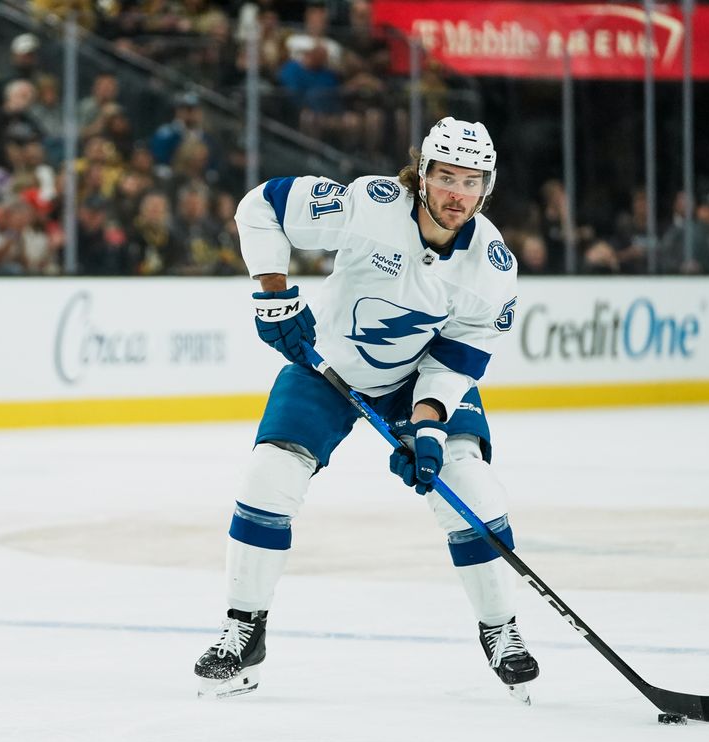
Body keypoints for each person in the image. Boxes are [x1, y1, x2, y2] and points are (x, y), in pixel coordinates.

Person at [193, 118, 537, 702]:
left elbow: (456, 361)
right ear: (422, 174)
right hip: (327, 367)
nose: (458, 193)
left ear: (488, 187)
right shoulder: (370, 205)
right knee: (268, 477)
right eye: (447, 176)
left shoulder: (492, 272)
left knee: (471, 489)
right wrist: (274, 295)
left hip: (417, 381)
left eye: (472, 182)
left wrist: (427, 429)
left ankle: (500, 627)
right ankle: (244, 628)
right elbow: (262, 207)